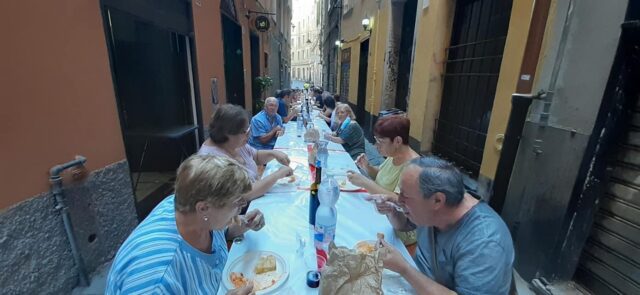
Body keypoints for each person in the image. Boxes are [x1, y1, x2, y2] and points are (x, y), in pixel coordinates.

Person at [107, 155, 263, 294]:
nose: (241, 207)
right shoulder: (157, 280)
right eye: (237, 202)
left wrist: (243, 223)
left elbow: (218, 231)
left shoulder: (189, 207)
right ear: (203, 208)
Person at [370, 157, 515, 295]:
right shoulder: (434, 210)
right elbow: (405, 225)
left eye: (405, 195)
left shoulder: (485, 243)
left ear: (437, 201)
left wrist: (404, 268)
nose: (399, 200)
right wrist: (394, 211)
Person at [199, 104, 293, 201]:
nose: (249, 135)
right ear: (228, 134)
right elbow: (244, 194)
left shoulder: (234, 143)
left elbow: (255, 156)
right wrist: (277, 175)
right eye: (246, 132)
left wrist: (274, 153)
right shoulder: (211, 160)